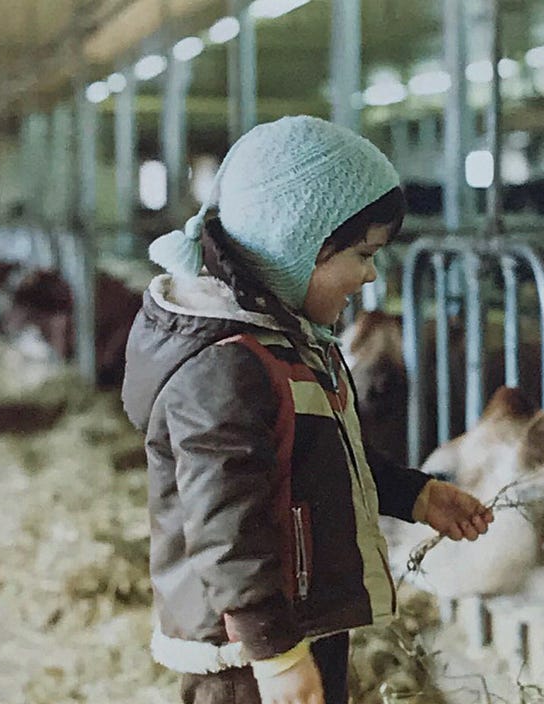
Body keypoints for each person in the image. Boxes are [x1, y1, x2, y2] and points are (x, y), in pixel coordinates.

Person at [121, 116, 494, 704]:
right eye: (363, 254)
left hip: (293, 617)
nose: (371, 274)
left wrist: (411, 494)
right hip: (243, 649)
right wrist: (273, 652)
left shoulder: (284, 341)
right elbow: (225, 528)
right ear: (302, 248)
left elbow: (318, 456)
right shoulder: (227, 364)